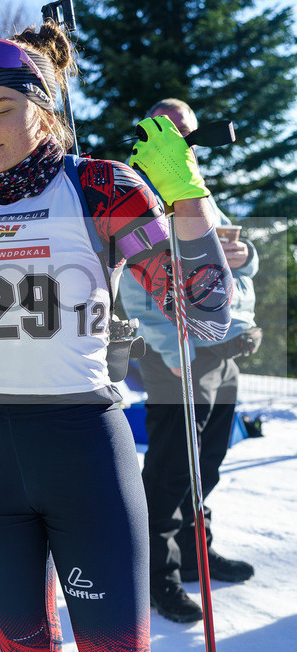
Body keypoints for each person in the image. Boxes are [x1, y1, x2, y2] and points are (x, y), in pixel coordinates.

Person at [0, 23, 233, 651]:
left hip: (84, 449)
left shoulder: (102, 188)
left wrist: (189, 196)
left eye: (3, 108)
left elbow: (206, 316)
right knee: (21, 643)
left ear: (44, 108)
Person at [120, 98, 261, 624]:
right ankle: (161, 576)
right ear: (156, 132)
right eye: (178, 132)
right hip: (178, 356)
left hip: (225, 350)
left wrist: (248, 257)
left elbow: (228, 267)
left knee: (209, 464)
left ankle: (196, 551)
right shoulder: (143, 191)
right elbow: (136, 284)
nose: (190, 142)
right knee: (172, 469)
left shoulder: (193, 186)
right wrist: (165, 345)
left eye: (192, 133)